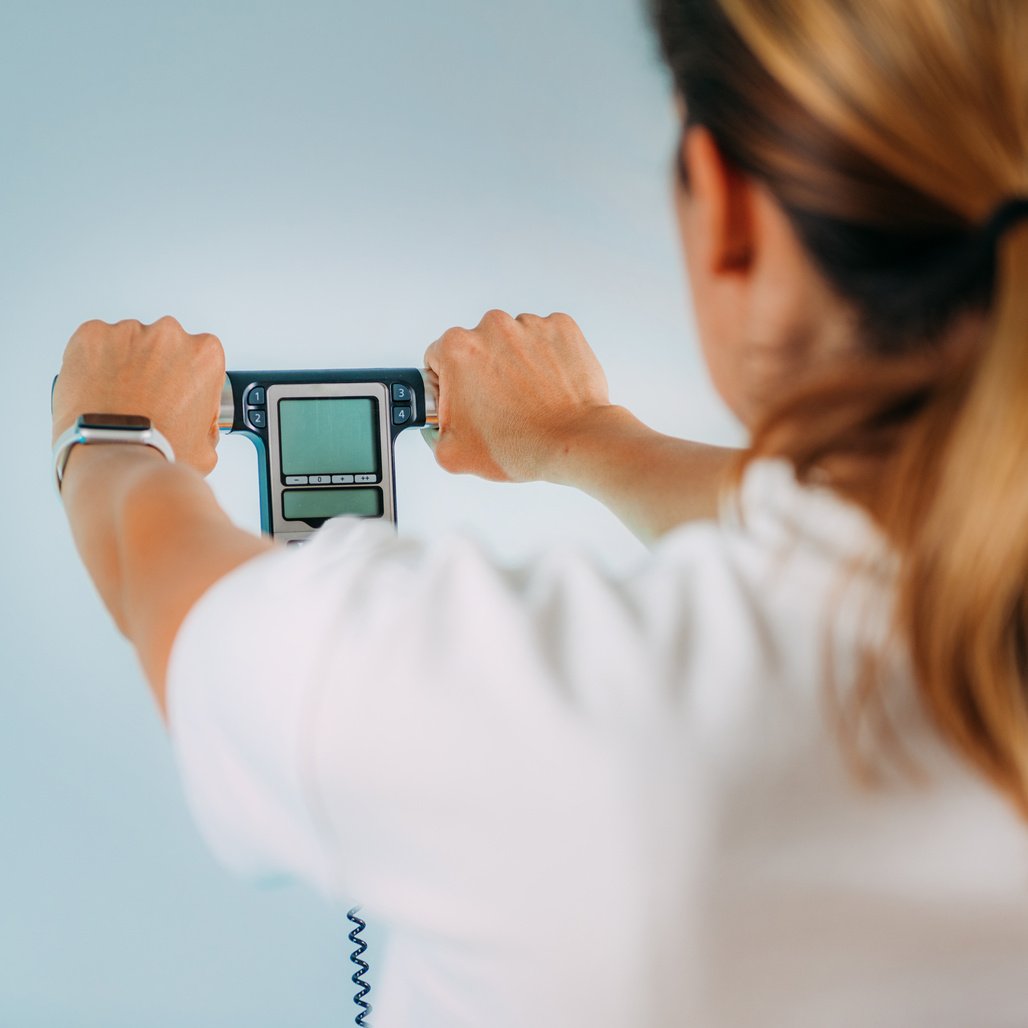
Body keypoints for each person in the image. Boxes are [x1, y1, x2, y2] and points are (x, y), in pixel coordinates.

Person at [51, 0, 1028, 1025]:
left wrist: (114, 431)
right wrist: (582, 435)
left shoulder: (524, 711)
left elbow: (170, 594)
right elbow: (854, 538)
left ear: (725, 208)